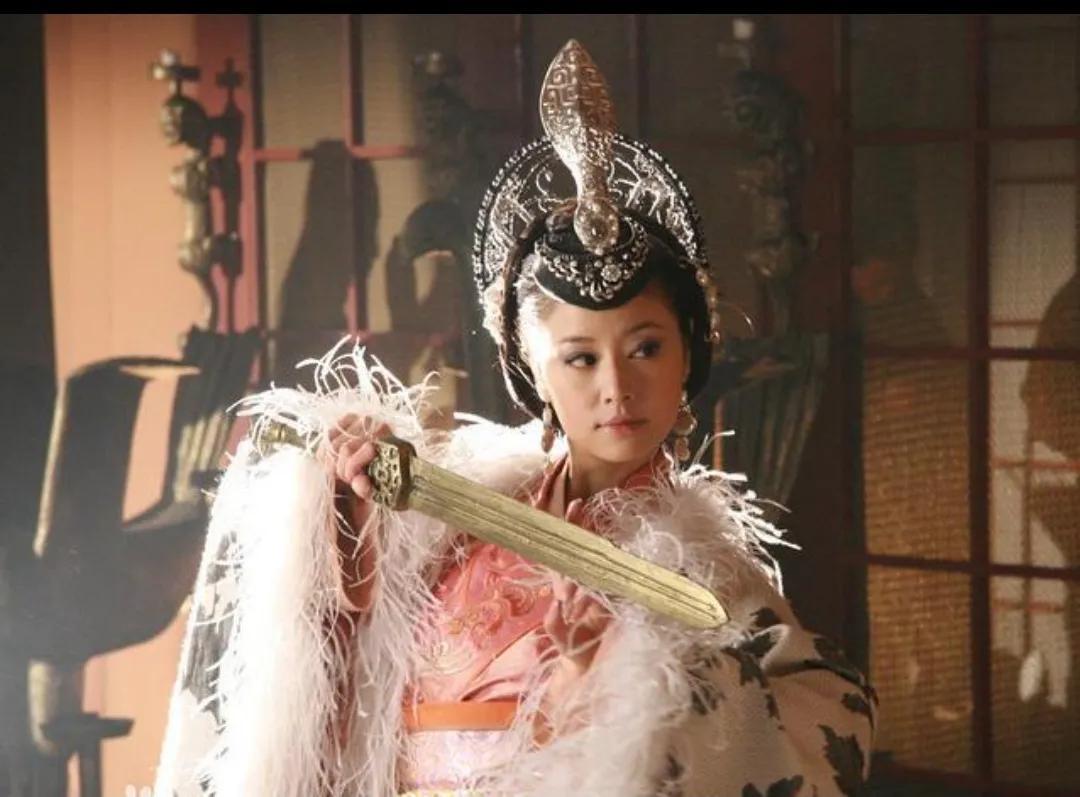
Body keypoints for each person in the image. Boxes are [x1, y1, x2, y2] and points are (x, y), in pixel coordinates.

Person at [154, 40, 876, 797]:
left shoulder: (707, 571)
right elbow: (346, 682)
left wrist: (627, 698)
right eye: (580, 358)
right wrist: (350, 514)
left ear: (689, 351)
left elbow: (831, 726)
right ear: (533, 368)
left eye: (646, 348)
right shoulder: (454, 523)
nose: (617, 387)